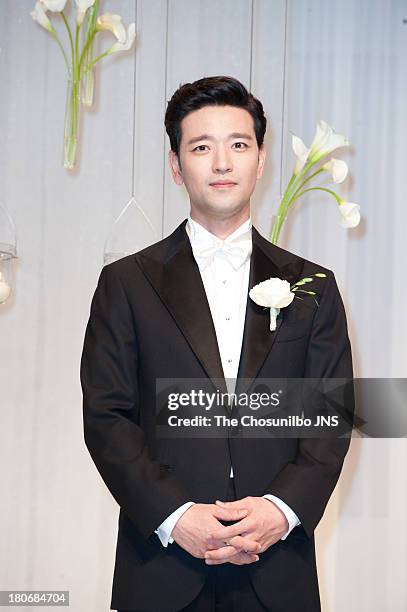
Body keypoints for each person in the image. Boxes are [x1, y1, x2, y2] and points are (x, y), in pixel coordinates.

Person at [80, 76, 354, 612]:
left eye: (238, 145)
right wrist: (176, 516)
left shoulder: (314, 286)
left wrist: (281, 509)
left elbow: (332, 414)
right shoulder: (126, 284)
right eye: (201, 147)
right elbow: (107, 417)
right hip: (161, 566)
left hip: (277, 569)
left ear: (260, 159)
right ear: (176, 166)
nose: (222, 162)